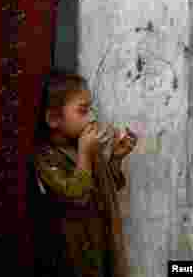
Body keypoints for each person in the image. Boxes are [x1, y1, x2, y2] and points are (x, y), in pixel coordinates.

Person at [31, 71, 137, 277]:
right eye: (83, 111)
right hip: (74, 257)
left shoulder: (88, 148)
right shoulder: (46, 158)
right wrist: (84, 153)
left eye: (91, 109)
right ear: (53, 119)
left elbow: (104, 189)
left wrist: (116, 158)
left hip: (101, 245)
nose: (92, 118)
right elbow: (77, 197)